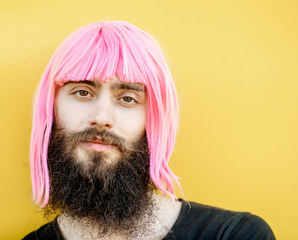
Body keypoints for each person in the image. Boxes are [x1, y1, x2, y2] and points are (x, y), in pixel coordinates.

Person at [23, 21, 275, 240]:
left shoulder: (235, 235)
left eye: (128, 98)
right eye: (82, 92)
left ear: (152, 119)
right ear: (52, 108)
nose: (101, 118)